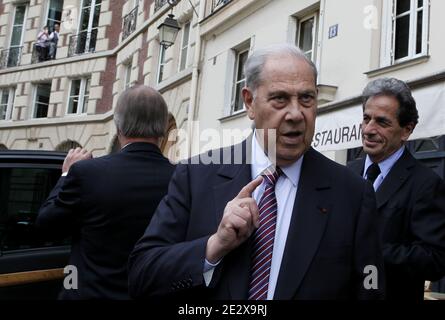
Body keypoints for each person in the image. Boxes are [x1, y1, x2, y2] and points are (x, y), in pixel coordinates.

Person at [128, 44, 385, 300]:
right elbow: (142, 273)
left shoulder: (352, 192)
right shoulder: (196, 175)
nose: (296, 114)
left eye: (306, 98)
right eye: (280, 99)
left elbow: (371, 285)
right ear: (249, 102)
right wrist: (214, 246)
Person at [36, 86, 175, 299]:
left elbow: (47, 226)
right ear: (164, 127)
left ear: (118, 125)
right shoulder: (181, 178)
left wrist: (65, 175)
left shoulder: (86, 173)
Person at [348, 78, 445, 300]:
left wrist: (370, 249)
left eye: (382, 122)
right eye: (366, 119)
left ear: (406, 130)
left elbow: (435, 260)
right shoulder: (347, 172)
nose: (369, 129)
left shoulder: (426, 183)